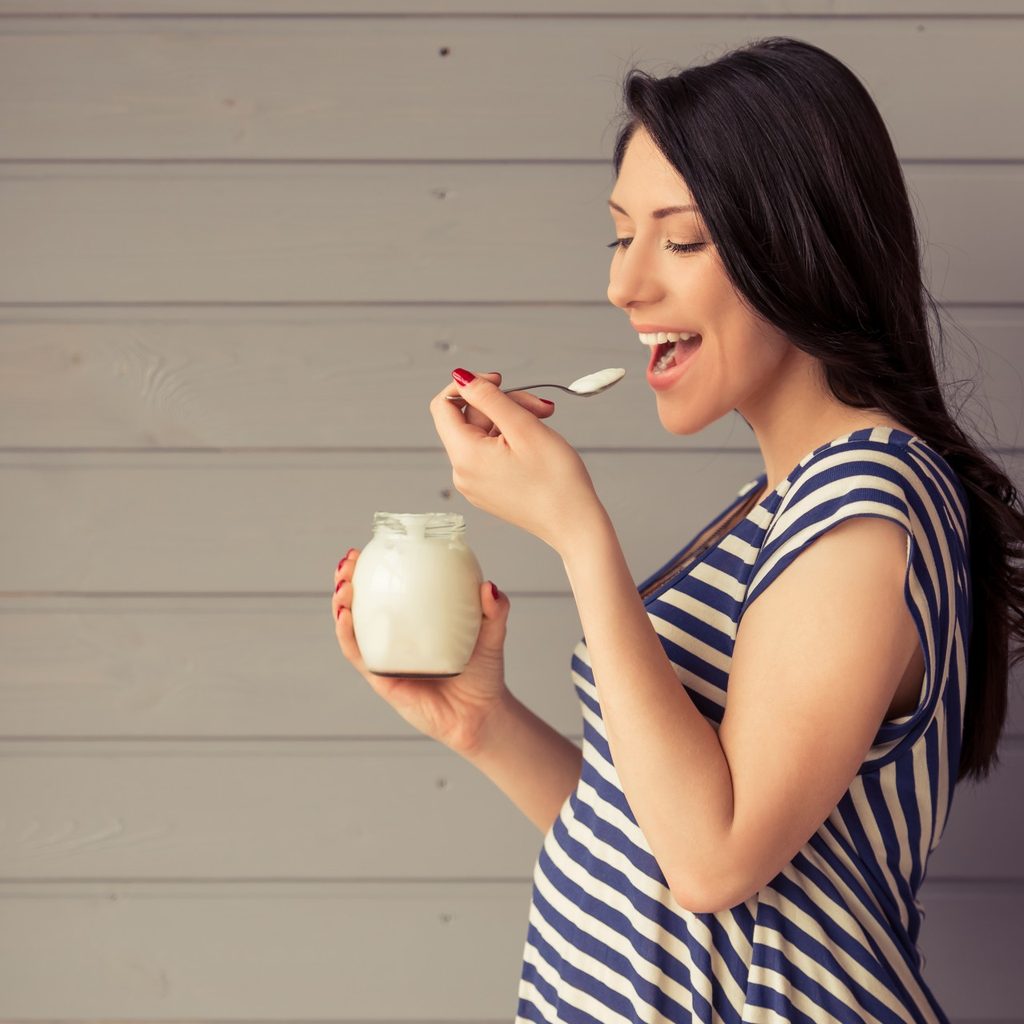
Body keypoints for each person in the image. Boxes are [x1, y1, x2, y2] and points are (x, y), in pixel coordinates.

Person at [331, 36, 1024, 1024]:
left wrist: (577, 532)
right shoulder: (778, 506)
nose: (625, 285)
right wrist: (482, 722)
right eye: (621, 235)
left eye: (680, 239)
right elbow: (653, 836)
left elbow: (714, 857)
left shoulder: (866, 495)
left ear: (793, 245)